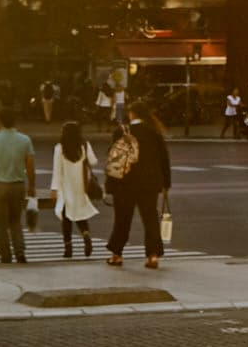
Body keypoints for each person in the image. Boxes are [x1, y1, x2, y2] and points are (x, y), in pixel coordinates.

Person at [106, 103, 172, 269]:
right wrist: (166, 183)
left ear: (131, 113)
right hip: (149, 184)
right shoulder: (154, 132)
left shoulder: (120, 132)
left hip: (124, 183)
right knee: (150, 219)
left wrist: (109, 186)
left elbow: (113, 161)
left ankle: (116, 254)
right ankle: (153, 256)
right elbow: (164, 159)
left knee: (122, 219)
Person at [0, 109, 36, 265]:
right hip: (18, 185)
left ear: (0, 122)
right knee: (16, 221)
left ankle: (5, 255)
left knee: (0, 224)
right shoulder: (25, 140)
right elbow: (30, 166)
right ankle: (20, 253)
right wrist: (32, 186)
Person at [50, 120, 101, 257]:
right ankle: (86, 235)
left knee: (66, 218)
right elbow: (94, 161)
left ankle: (68, 248)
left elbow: (57, 170)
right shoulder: (84, 145)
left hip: (65, 186)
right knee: (80, 214)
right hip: (80, 186)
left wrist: (54, 189)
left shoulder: (59, 148)